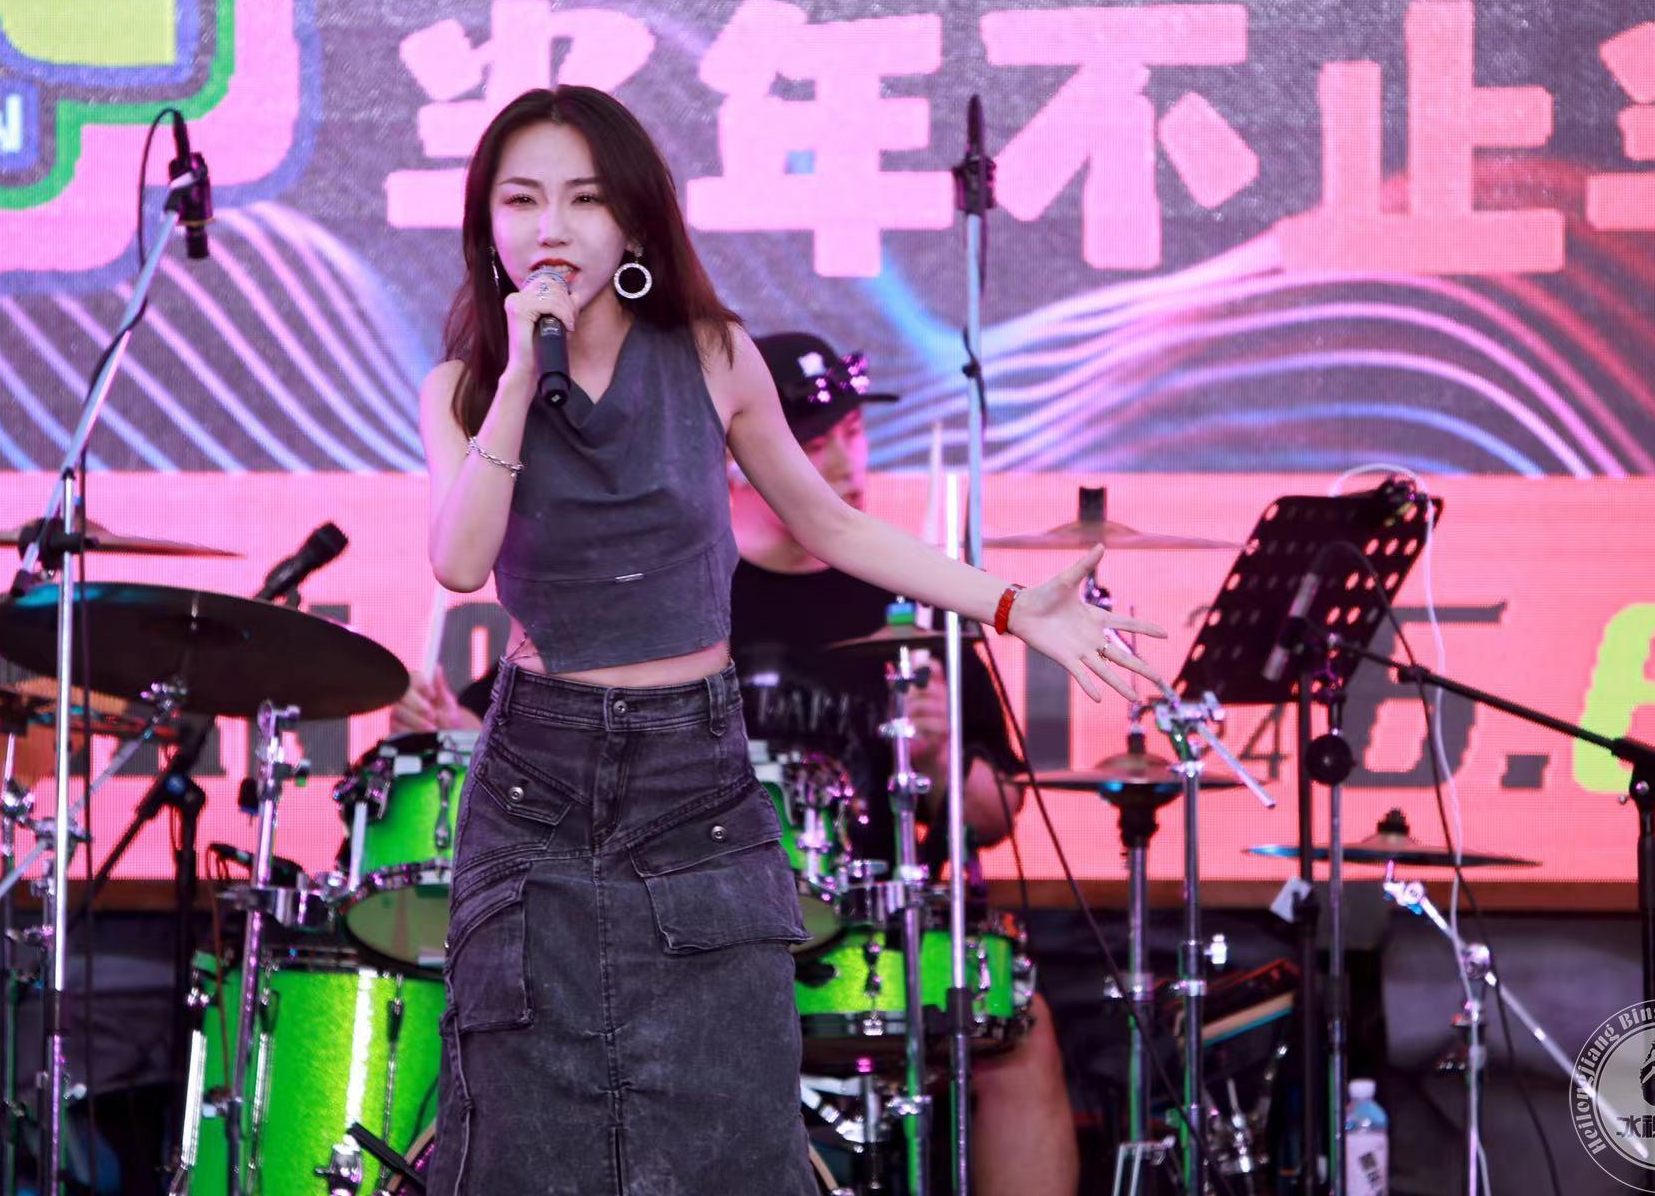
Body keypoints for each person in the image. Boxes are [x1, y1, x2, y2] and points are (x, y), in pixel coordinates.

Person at [416, 84, 1163, 1196]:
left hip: (691, 776)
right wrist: (522, 377)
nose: (552, 227)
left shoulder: (712, 353)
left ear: (634, 221)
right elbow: (459, 559)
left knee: (730, 1129)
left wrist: (1013, 604)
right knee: (528, 1144)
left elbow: (832, 524)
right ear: (487, 225)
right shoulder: (466, 388)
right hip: (538, 782)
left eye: (584, 198)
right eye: (521, 200)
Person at [402, 331, 1082, 1195]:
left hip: (855, 937)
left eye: (853, 432)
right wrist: (453, 730)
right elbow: (527, 710)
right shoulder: (680, 573)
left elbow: (995, 813)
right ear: (734, 446)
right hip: (662, 905)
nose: (842, 459)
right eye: (815, 438)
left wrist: (946, 750)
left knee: (1019, 1029)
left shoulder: (911, 603)